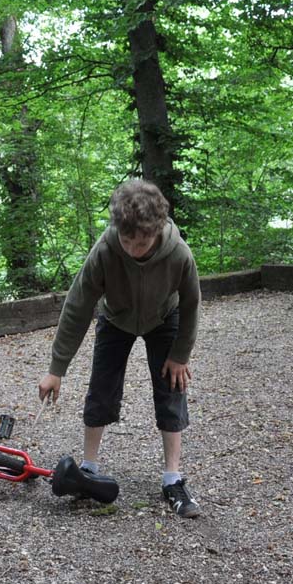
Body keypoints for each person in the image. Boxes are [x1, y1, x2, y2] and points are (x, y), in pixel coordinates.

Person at [37, 179, 202, 517]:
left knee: (171, 389)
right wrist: (56, 368)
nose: (133, 249)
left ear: (157, 230)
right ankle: (88, 470)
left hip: (164, 318)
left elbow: (191, 304)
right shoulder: (105, 251)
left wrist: (180, 355)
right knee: (101, 389)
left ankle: (172, 479)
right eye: (126, 241)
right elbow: (77, 306)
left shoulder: (178, 254)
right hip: (115, 318)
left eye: (141, 242)